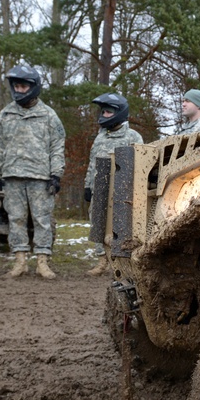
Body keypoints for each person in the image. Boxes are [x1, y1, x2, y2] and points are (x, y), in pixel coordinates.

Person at [0, 64, 65, 279]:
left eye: (24, 86)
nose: (20, 90)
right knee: (16, 220)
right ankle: (20, 261)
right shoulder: (5, 115)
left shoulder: (49, 116)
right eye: (17, 86)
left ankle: (42, 262)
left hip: (40, 177)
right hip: (12, 177)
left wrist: (56, 174)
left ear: (33, 87)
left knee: (42, 220)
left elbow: (57, 147)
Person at [84, 92, 143, 275]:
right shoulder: (100, 137)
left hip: (122, 192)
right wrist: (87, 185)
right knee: (98, 224)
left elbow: (142, 164)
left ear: (119, 112)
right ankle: (102, 261)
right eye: (103, 111)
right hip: (99, 190)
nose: (104, 115)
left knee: (122, 225)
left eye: (108, 112)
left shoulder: (133, 137)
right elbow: (92, 163)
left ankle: (121, 262)